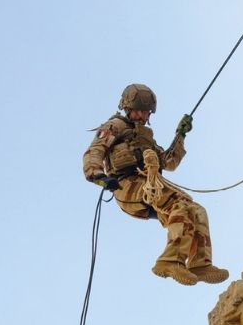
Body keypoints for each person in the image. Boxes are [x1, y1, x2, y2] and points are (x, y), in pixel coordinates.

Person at [82, 84, 229, 285]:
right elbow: (95, 151)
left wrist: (181, 135)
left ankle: (200, 263)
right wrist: (98, 175)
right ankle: (169, 261)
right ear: (127, 107)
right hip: (126, 186)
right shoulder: (114, 126)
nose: (141, 115)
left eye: (146, 111)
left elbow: (169, 162)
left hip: (150, 183)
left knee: (195, 210)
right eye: (138, 110)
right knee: (177, 203)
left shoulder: (146, 139)